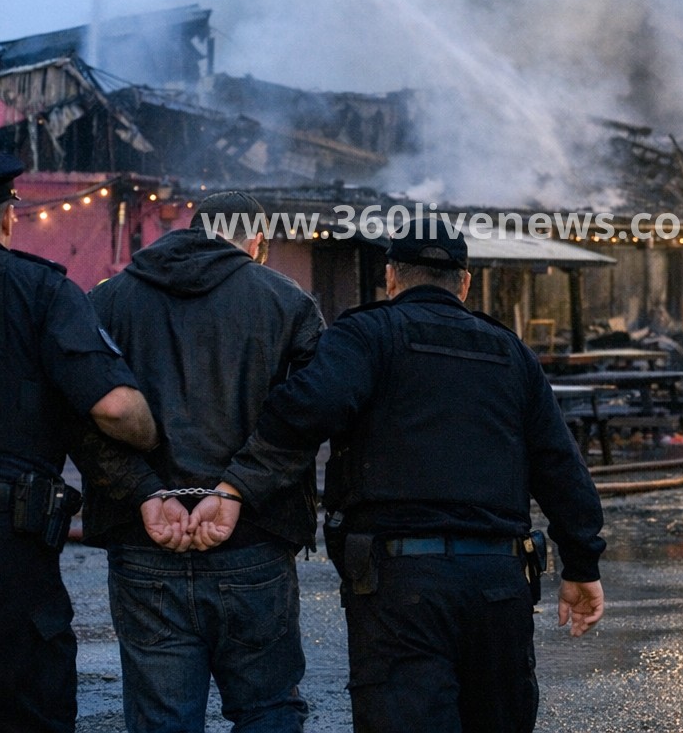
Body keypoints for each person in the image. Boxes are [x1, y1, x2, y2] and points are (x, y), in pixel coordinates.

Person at [203, 215, 606, 733]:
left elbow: (303, 411)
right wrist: (582, 565)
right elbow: (561, 467)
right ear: (465, 283)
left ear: (391, 277)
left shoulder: (367, 335)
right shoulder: (511, 352)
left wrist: (236, 484)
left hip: (399, 587)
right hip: (499, 585)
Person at [82, 191, 324, 733]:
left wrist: (145, 490)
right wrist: (236, 489)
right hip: (253, 539)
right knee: (267, 711)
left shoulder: (108, 301)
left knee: (162, 720)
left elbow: (81, 415)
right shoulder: (289, 304)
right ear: (256, 243)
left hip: (146, 539)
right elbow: (309, 417)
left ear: (195, 230)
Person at [0, 152, 158, 733]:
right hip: (7, 542)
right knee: (34, 711)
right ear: (8, 217)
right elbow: (116, 409)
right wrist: (150, 430)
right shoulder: (39, 289)